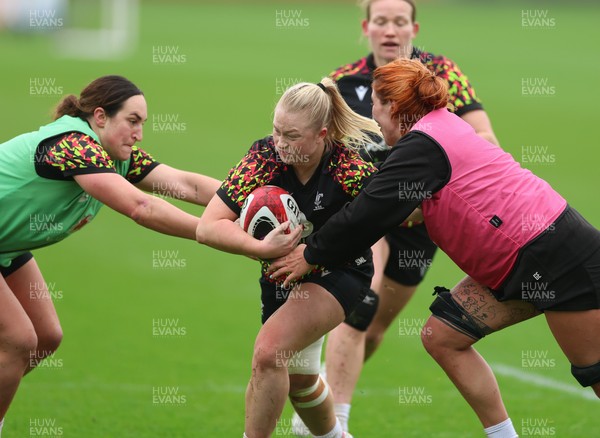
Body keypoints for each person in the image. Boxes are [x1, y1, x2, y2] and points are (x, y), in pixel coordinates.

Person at [267, 58, 600, 438]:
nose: (372, 115)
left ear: (393, 106)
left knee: (595, 373)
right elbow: (399, 210)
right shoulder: (437, 130)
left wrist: (309, 255)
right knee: (443, 337)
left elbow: (367, 214)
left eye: (375, 103)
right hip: (518, 260)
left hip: (555, 255)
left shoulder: (424, 144)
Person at [292, 0, 500, 433]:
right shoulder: (343, 82)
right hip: (366, 214)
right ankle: (334, 425)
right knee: (358, 305)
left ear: (414, 27)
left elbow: (483, 136)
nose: (391, 30)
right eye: (381, 21)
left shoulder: (440, 73)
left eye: (399, 22)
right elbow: (311, 145)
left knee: (376, 328)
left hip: (423, 222)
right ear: (367, 27)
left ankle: (321, 397)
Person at [0, 75, 221, 436]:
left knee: (45, 336)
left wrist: (248, 197)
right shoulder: (71, 144)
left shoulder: (114, 156)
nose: (139, 134)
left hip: (6, 247)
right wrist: (213, 232)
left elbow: (182, 184)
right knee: (19, 340)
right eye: (132, 121)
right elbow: (141, 207)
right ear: (100, 116)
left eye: (143, 124)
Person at [195, 78, 383, 438]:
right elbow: (209, 226)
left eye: (292, 136)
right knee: (299, 381)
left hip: (341, 273)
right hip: (281, 275)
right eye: (277, 130)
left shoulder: (349, 170)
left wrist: (313, 254)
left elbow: (388, 215)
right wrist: (261, 249)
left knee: (268, 355)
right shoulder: (264, 156)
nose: (280, 143)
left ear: (322, 135)